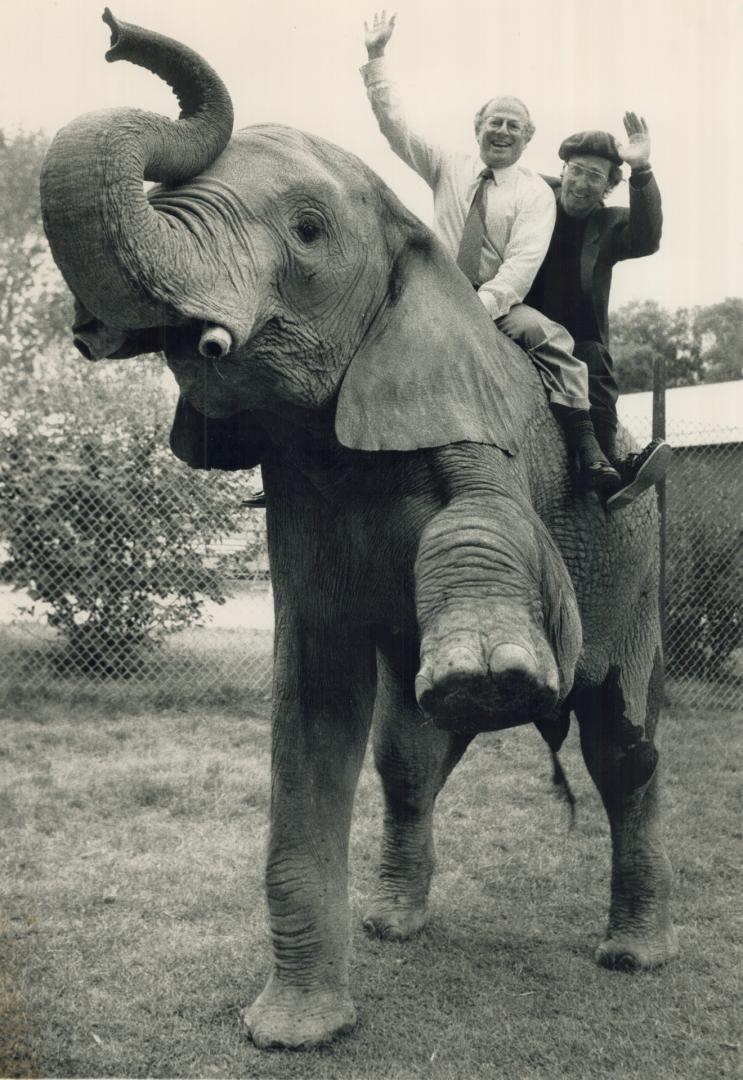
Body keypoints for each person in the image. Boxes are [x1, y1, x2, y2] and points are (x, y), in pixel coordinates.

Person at [361, 11, 624, 501]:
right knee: (358, 326)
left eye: (514, 126)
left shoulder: (535, 194)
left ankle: (587, 448)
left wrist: (476, 309)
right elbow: (394, 125)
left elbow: (521, 266)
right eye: (494, 122)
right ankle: (313, 449)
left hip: (495, 301)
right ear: (478, 126)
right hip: (431, 288)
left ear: (528, 138)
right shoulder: (447, 165)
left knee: (551, 340)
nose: (502, 131)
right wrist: (377, 57)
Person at [525, 120, 672, 509]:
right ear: (563, 171)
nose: (582, 183)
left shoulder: (609, 224)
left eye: (596, 176)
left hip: (577, 343)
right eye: (577, 170)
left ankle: (607, 466)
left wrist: (641, 170)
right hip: (518, 324)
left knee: (595, 362)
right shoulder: (531, 193)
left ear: (607, 187)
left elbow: (648, 236)